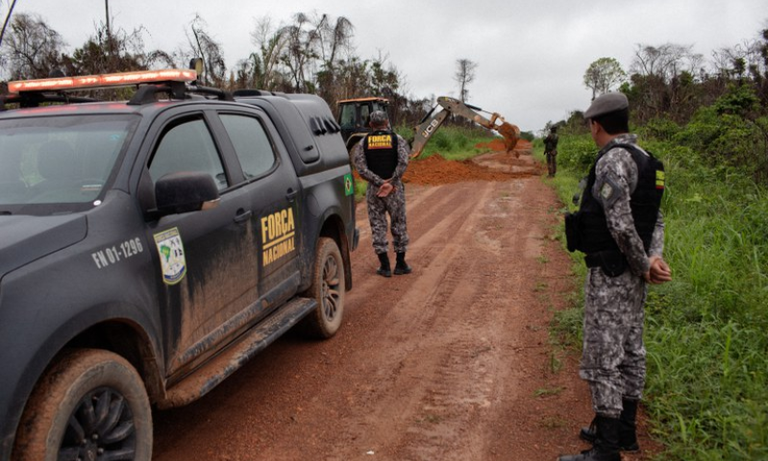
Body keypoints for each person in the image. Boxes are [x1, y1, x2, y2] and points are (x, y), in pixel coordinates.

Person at [560, 92, 672, 461]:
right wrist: (653, 257)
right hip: (634, 276)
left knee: (601, 359)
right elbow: (655, 218)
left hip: (612, 272)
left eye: (589, 124)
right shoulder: (649, 162)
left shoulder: (613, 162)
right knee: (630, 352)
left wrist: (642, 263)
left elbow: (620, 224)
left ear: (597, 124)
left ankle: (606, 450)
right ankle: (624, 432)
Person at [351, 110, 412, 277]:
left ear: (371, 124)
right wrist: (391, 182)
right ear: (387, 122)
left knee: (378, 225)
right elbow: (403, 161)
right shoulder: (397, 139)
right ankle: (400, 264)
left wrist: (379, 182)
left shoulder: (363, 143)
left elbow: (361, 168)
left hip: (374, 191)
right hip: (395, 190)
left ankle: (384, 266)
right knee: (399, 224)